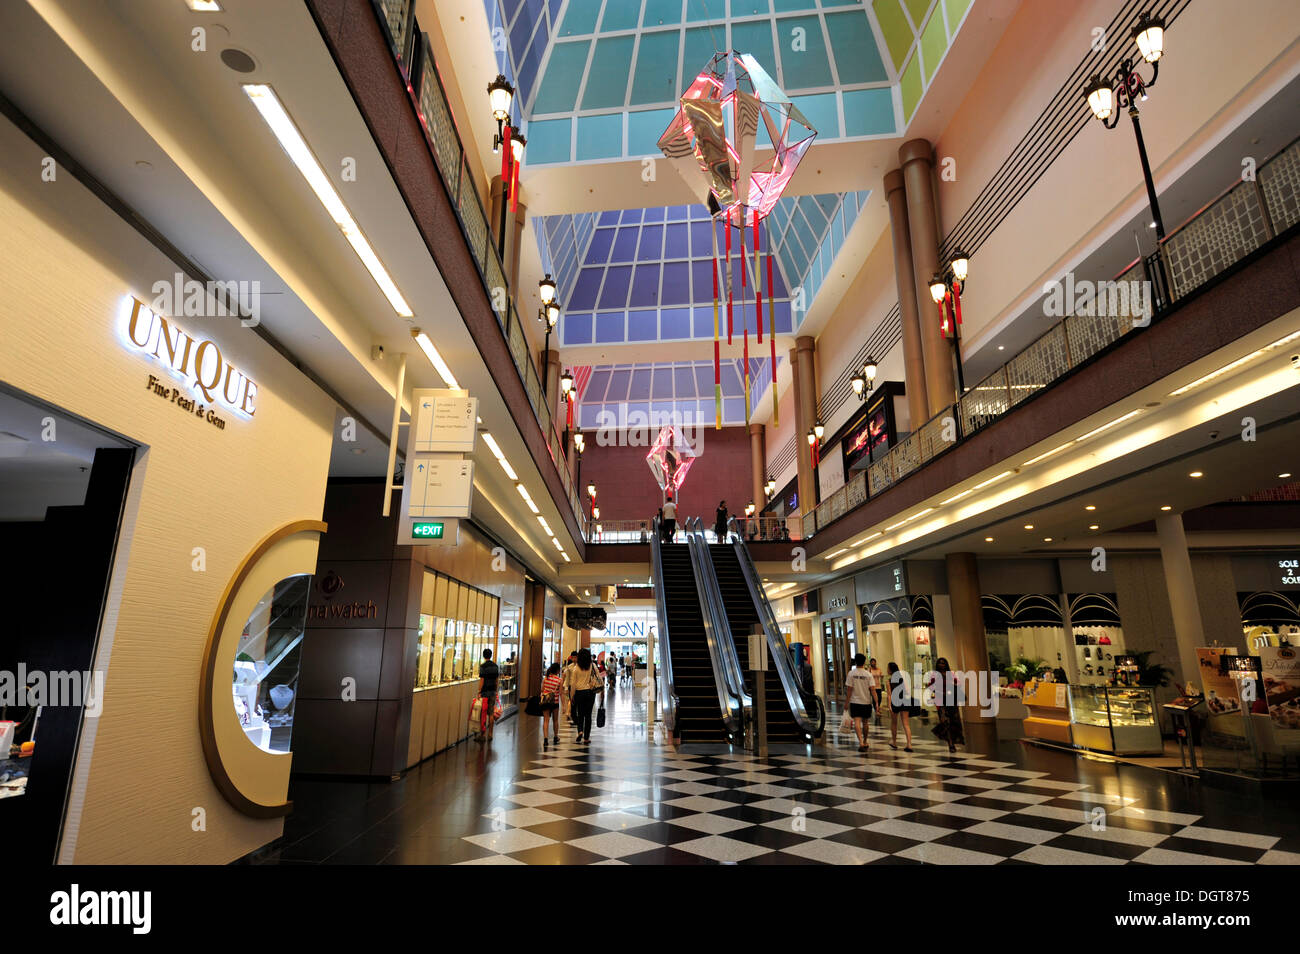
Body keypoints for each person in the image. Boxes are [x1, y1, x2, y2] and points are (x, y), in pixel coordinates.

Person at [928, 656, 965, 753]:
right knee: (945, 722)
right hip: (940, 700)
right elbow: (930, 686)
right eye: (940, 663)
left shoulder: (951, 674)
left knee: (954, 721)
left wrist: (952, 688)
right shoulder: (934, 675)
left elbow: (959, 684)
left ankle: (953, 741)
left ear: (946, 664)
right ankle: (950, 744)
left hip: (951, 699)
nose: (941, 664)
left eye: (943, 663)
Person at [567, 648, 604, 744]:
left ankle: (580, 731)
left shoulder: (576, 668)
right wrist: (602, 690)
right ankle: (586, 738)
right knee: (588, 715)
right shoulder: (592, 665)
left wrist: (571, 696)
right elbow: (599, 678)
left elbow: (573, 684)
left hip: (579, 693)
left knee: (580, 714)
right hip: (590, 693)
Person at [843, 653, 876, 753]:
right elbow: (873, 690)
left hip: (855, 702)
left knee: (857, 721)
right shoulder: (868, 674)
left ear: (855, 661)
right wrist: (877, 703)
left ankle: (861, 742)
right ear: (864, 662)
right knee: (865, 723)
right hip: (866, 702)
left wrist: (846, 702)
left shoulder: (851, 674)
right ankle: (865, 741)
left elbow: (849, 690)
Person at [886, 661, 914, 752]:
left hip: (895, 702)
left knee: (894, 723)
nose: (887, 670)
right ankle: (909, 744)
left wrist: (889, 705)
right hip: (905, 701)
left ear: (890, 670)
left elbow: (889, 695)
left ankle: (894, 742)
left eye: (888, 668)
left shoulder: (889, 681)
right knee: (906, 723)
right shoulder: (902, 678)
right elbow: (906, 691)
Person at [477, 648, 500, 742]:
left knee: (483, 714)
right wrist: (496, 690)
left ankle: (482, 735)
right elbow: (496, 680)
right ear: (490, 655)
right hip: (492, 692)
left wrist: (479, 691)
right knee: (491, 713)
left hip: (485, 692)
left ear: (483, 655)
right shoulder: (495, 666)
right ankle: (490, 734)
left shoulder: (483, 666)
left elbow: (482, 680)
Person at [539, 663, 562, 749]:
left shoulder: (546, 678)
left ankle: (545, 739)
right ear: (557, 671)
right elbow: (561, 693)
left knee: (546, 720)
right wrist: (564, 707)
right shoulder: (559, 680)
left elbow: (542, 690)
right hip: (555, 702)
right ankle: (555, 737)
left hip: (545, 701)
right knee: (555, 720)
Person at [868, 657, 884, 724]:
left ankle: (878, 707)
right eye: (872, 662)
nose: (873, 663)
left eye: (874, 662)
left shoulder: (879, 669)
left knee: (879, 698)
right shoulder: (869, 670)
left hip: (878, 686)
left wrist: (882, 677)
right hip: (872, 686)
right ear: (870, 663)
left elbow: (881, 675)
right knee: (875, 699)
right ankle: (876, 710)